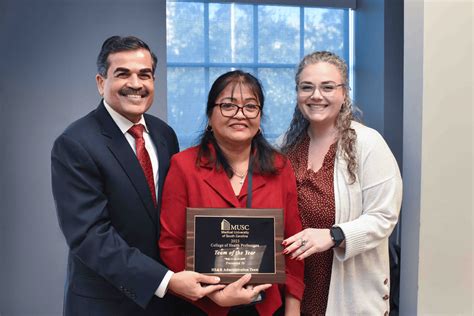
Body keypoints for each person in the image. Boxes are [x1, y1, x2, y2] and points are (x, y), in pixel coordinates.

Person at [51, 35, 224, 316]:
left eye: (145, 75)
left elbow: (173, 212)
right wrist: (166, 281)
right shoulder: (75, 143)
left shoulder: (163, 134)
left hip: (168, 304)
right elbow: (91, 235)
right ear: (100, 82)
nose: (135, 84)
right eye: (122, 74)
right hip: (108, 303)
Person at [159, 70, 305, 315]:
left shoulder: (280, 167)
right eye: (228, 105)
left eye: (250, 106)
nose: (240, 115)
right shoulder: (183, 166)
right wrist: (215, 294)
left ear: (259, 117)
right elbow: (171, 244)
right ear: (209, 116)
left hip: (266, 307)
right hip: (204, 306)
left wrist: (293, 308)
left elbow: (293, 244)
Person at [280, 51, 402, 315]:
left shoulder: (368, 144)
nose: (316, 95)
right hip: (294, 293)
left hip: (349, 292)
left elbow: (384, 216)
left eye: (327, 87)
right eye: (307, 87)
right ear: (297, 93)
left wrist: (334, 235)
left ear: (344, 93)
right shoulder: (285, 145)